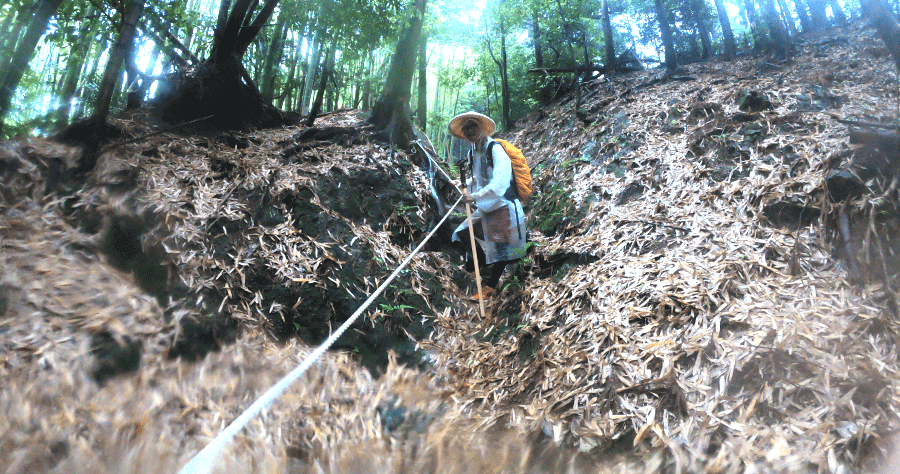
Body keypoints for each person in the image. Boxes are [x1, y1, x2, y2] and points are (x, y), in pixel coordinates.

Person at [448, 111, 527, 299]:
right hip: (487, 205)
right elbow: (481, 177)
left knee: (502, 247)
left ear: (481, 127)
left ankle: (490, 287)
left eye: (473, 125)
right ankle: (481, 264)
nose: (469, 130)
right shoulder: (472, 152)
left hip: (503, 204)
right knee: (461, 233)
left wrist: (474, 196)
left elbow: (499, 181)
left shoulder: (495, 148)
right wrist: (465, 184)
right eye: (466, 127)